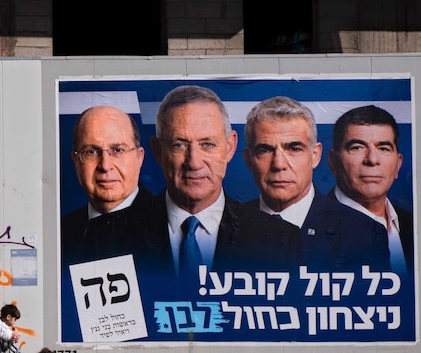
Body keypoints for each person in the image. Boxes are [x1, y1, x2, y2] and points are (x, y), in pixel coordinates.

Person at [147, 85, 302, 285]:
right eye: (180, 145)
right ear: (158, 151)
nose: (194, 162)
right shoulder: (112, 233)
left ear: (230, 147)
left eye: (207, 144)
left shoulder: (280, 240)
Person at [242, 96, 390, 271]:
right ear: (248, 159)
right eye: (265, 150)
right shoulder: (224, 227)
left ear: (315, 155)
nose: (279, 164)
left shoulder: (365, 235)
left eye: (294, 149)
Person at [61, 105, 154, 263]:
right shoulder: (61, 231)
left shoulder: (170, 227)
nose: (105, 165)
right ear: (75, 161)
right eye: (91, 152)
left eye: (118, 150)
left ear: (139, 157)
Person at [329, 105, 413, 276]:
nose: (372, 160)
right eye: (357, 147)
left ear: (398, 165)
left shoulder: (413, 226)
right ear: (333, 162)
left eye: (383, 148)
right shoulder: (305, 230)